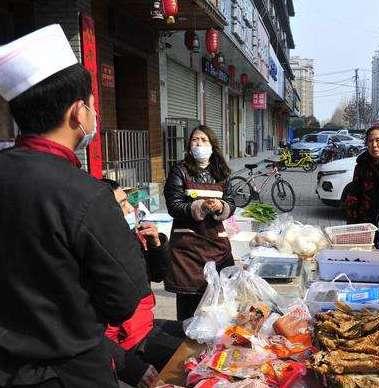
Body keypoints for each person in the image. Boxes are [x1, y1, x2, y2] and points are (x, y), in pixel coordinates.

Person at [0, 25, 149, 387]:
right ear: (77, 113)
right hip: (71, 373)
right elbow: (124, 297)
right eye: (92, 104)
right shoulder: (85, 194)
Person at [101, 179, 184, 388]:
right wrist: (129, 366)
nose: (130, 209)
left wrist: (157, 244)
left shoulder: (132, 239)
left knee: (201, 335)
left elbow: (157, 275)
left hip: (146, 325)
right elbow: (90, 333)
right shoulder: (96, 255)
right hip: (128, 344)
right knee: (189, 360)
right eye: (121, 204)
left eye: (127, 202)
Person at [164, 125, 235, 321]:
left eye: (204, 140)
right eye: (195, 140)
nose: (199, 144)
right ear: (189, 145)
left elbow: (231, 202)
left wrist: (220, 207)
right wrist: (200, 207)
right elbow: (174, 205)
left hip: (216, 245)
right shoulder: (180, 171)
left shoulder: (221, 172)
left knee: (217, 308)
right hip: (187, 249)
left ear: (213, 145)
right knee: (189, 311)